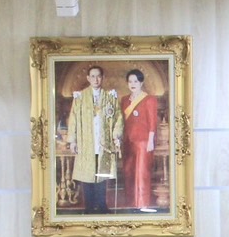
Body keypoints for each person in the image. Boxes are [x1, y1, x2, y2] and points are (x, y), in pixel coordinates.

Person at [68, 64, 121, 213]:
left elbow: (118, 118)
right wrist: (73, 140)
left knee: (102, 176)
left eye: (98, 76)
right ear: (88, 78)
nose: (96, 79)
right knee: (87, 176)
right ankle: (89, 207)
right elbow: (73, 120)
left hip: (103, 143)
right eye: (93, 76)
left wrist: (116, 137)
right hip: (86, 143)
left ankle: (102, 206)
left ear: (103, 78)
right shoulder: (80, 97)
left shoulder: (110, 97)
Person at [120, 69, 160, 212]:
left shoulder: (149, 99)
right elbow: (122, 122)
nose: (133, 84)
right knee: (129, 171)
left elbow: (152, 122)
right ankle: (132, 202)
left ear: (141, 82)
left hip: (143, 142)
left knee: (142, 172)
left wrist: (150, 141)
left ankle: (143, 204)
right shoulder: (125, 100)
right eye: (130, 81)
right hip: (128, 141)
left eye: (136, 81)